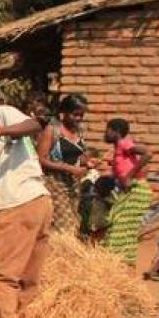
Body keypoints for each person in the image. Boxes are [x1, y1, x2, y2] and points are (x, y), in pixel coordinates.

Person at [0, 90, 53, 318]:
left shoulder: (2, 114)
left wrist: (0, 131)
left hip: (20, 202)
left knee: (0, 275)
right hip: (38, 201)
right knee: (28, 277)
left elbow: (37, 124)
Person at [36, 94, 91, 234]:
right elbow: (41, 159)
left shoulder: (78, 131)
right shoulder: (52, 130)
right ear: (64, 113)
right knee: (63, 226)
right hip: (55, 184)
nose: (78, 119)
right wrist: (68, 168)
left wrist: (88, 162)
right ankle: (60, 254)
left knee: (74, 221)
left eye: (81, 115)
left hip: (73, 185)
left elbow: (78, 156)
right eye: (75, 115)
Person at [102, 118, 154, 264]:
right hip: (131, 191)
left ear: (116, 131)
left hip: (137, 190)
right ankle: (120, 263)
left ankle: (121, 263)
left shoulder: (125, 144)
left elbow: (148, 154)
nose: (105, 133)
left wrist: (128, 176)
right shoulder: (119, 148)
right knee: (117, 225)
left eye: (108, 130)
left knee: (120, 228)